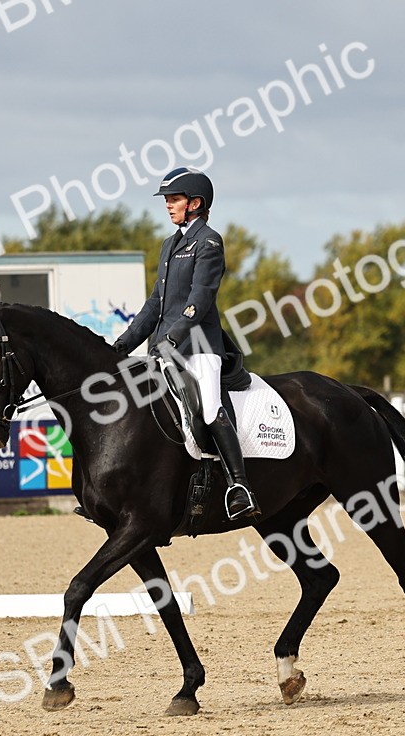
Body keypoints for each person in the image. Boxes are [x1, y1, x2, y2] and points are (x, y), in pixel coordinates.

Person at [112, 167, 259, 520]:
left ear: (196, 203)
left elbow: (200, 299)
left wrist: (174, 337)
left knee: (209, 409)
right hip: (163, 348)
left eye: (174, 199)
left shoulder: (209, 242)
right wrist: (120, 345)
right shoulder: (169, 245)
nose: (168, 205)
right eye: (167, 200)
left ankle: (240, 487)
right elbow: (154, 306)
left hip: (198, 348)